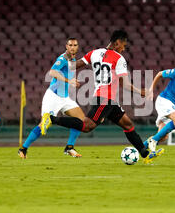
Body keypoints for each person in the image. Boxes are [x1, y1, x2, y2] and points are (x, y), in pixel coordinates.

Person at [40, 30, 163, 164]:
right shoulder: (119, 59)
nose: (124, 48)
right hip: (105, 99)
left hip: (107, 100)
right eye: (123, 45)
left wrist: (66, 57)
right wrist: (141, 91)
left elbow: (74, 65)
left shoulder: (94, 53)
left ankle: (145, 155)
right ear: (116, 43)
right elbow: (124, 84)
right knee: (87, 126)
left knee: (127, 124)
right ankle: (51, 119)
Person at [18, 38, 85, 159]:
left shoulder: (73, 59)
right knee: (44, 124)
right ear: (66, 46)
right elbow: (52, 72)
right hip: (53, 97)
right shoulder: (62, 59)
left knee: (81, 119)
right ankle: (23, 148)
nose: (73, 47)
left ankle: (69, 147)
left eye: (75, 45)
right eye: (70, 45)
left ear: (78, 47)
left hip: (65, 98)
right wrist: (69, 80)